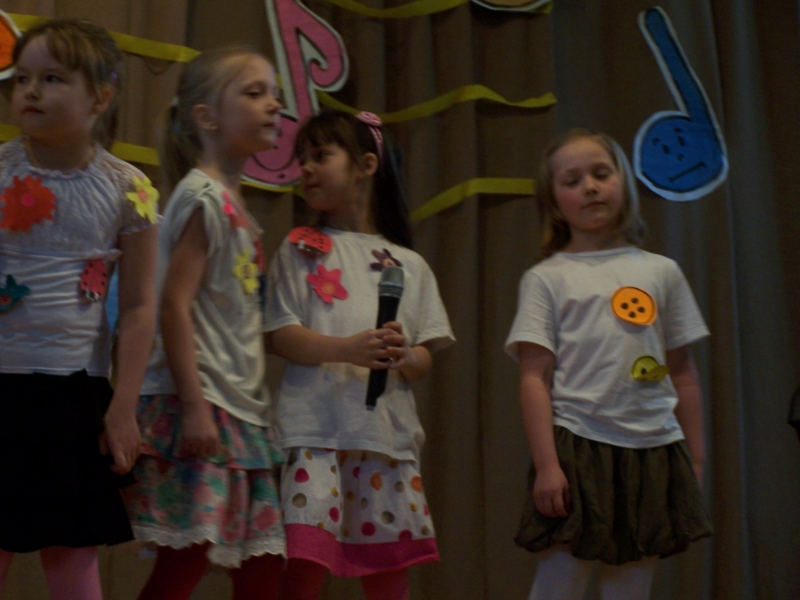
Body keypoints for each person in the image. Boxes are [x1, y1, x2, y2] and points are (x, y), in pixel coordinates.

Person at [505, 129, 712, 600]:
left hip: (654, 447)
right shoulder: (546, 278)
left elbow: (683, 372)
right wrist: (547, 465)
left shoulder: (662, 272)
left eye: (601, 173)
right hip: (578, 444)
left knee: (631, 585)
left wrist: (695, 459)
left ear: (623, 182)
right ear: (554, 201)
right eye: (572, 180)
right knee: (560, 583)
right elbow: (534, 378)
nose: (590, 187)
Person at [266, 110, 455, 600]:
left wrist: (406, 356)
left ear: (366, 165)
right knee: (304, 560)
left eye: (320, 155)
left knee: (388, 569)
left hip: (383, 439)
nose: (307, 168)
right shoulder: (300, 249)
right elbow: (281, 334)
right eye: (302, 159)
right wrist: (346, 349)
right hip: (315, 433)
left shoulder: (409, 265)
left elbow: (426, 356)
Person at [0, 18, 158, 600]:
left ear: (100, 96)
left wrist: (123, 407)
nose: (31, 90)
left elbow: (139, 306)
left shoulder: (131, 189)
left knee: (71, 548)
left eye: (52, 78)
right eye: (22, 78)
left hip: (74, 393)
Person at [123, 47, 285, 600]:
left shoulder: (235, 204)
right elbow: (173, 305)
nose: (274, 105)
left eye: (275, 94)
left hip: (241, 409)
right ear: (207, 117)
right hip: (204, 402)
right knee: (186, 558)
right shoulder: (204, 196)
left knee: (262, 564)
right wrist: (193, 407)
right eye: (255, 93)